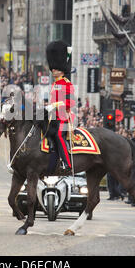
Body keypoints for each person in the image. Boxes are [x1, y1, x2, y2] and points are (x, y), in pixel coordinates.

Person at [45, 40, 75, 173]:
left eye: (55, 68)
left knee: (59, 135)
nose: (53, 70)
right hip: (53, 117)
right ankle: (51, 163)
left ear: (61, 70)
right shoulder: (55, 84)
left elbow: (70, 103)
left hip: (63, 116)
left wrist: (54, 105)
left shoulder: (67, 84)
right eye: (52, 68)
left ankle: (67, 163)